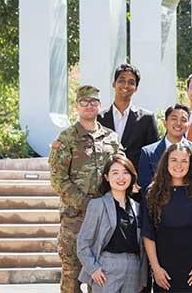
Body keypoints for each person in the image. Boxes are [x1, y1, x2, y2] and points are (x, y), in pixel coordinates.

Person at [49, 85, 123, 293]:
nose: (89, 106)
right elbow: (58, 180)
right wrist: (87, 204)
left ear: (99, 106)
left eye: (94, 102)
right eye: (84, 102)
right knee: (72, 276)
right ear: (77, 106)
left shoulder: (111, 138)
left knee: (99, 274)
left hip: (105, 218)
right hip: (76, 218)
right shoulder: (66, 138)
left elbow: (122, 170)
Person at [141, 143, 192, 292]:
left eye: (184, 161)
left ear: (191, 164)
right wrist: (156, 268)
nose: (179, 165)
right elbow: (148, 234)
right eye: (174, 160)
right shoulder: (153, 193)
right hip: (164, 271)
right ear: (166, 162)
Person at [77, 154, 147, 292]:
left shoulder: (137, 207)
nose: (121, 177)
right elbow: (83, 242)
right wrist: (93, 268)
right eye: (115, 173)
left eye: (125, 172)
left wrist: (142, 277)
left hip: (133, 268)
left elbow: (142, 247)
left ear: (132, 176)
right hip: (106, 267)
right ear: (106, 177)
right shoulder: (97, 205)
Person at [98, 63, 159, 169]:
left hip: (136, 181)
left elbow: (153, 155)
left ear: (136, 88)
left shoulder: (147, 118)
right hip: (106, 180)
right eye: (121, 80)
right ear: (114, 84)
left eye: (131, 82)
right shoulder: (99, 118)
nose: (126, 85)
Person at [138, 104, 192, 192]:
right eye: (174, 119)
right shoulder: (148, 152)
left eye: (183, 120)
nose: (178, 123)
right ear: (165, 123)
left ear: (188, 124)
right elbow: (145, 188)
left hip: (189, 204)